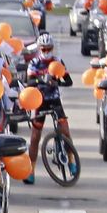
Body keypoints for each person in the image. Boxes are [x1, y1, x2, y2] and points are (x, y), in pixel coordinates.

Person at [23, 33, 74, 185]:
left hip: (54, 100)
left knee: (65, 130)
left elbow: (69, 81)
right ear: (39, 49)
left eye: (49, 49)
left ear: (53, 48)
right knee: (35, 137)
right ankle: (30, 171)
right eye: (43, 49)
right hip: (39, 101)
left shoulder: (58, 61)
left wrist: (58, 83)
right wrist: (41, 79)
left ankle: (71, 161)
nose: (46, 51)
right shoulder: (34, 63)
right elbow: (29, 82)